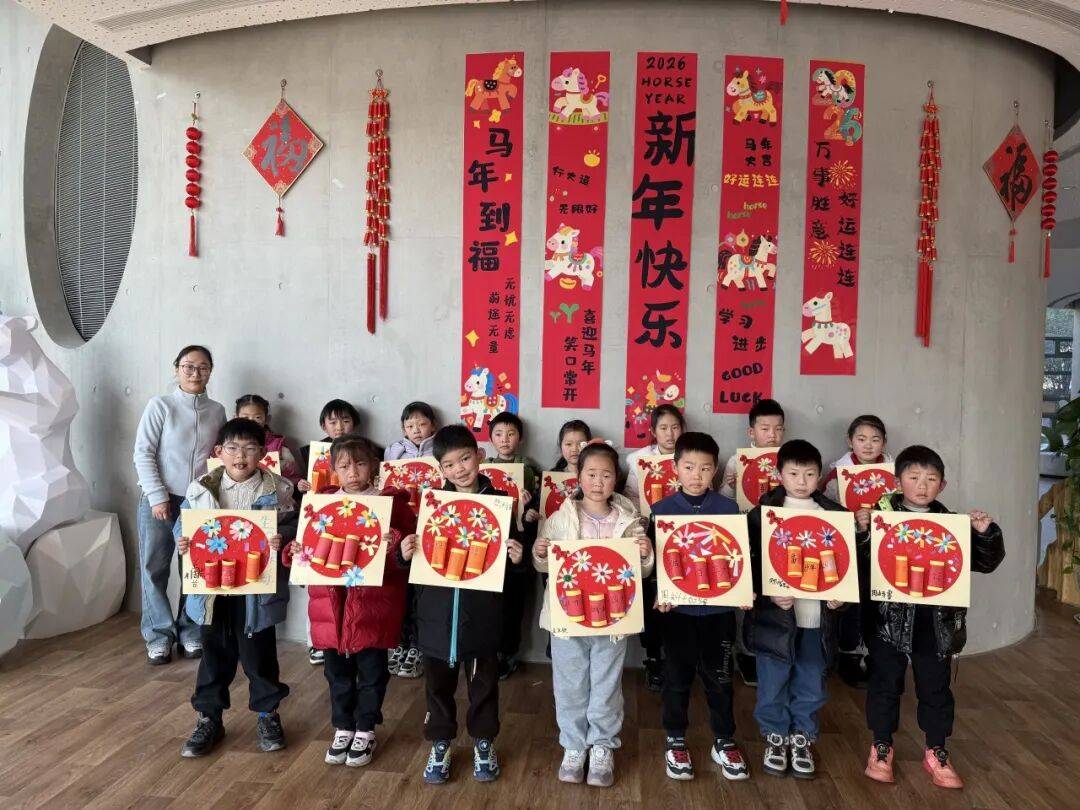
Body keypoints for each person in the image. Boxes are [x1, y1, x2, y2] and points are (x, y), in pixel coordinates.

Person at [859, 445, 1004, 789]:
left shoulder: (952, 525)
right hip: (887, 620)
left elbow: (986, 563)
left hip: (935, 623)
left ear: (943, 484)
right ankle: (881, 746)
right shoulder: (879, 519)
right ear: (898, 482)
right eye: (913, 477)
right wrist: (863, 532)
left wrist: (985, 534)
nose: (922, 486)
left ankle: (936, 749)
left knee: (936, 687)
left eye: (931, 479)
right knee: (884, 683)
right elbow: (861, 565)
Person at [398, 425, 524, 784]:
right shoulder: (433, 505)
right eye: (449, 464)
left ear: (479, 456)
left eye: (465, 458)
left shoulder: (500, 502)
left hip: (482, 616)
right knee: (437, 686)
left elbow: (513, 558)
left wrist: (518, 557)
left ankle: (484, 742)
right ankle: (440, 742)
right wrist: (404, 553)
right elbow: (417, 558)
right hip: (436, 616)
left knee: (484, 685)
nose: (459, 469)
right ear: (441, 468)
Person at [534, 441, 652, 788]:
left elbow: (641, 573)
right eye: (591, 474)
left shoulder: (629, 521)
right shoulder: (560, 518)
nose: (598, 482)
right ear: (578, 475)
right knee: (569, 685)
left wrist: (645, 554)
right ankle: (573, 746)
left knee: (606, 684)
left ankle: (602, 745)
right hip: (567, 619)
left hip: (613, 618)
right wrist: (540, 552)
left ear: (616, 479)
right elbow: (545, 566)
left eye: (606, 475)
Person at [175, 418, 295, 757]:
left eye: (249, 448)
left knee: (259, 655)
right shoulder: (200, 489)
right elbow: (183, 525)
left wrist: (282, 537)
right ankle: (209, 717)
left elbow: (294, 528)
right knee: (214, 653)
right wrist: (183, 541)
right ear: (219, 451)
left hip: (256, 588)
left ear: (263, 453)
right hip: (212, 587)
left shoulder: (278, 490)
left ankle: (267, 714)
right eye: (232, 448)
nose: (240, 456)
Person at [299, 436, 416, 767]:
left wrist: (398, 549)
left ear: (374, 466)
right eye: (344, 466)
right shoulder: (320, 504)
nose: (353, 472)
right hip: (330, 608)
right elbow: (306, 551)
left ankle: (365, 728)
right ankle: (343, 726)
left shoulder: (390, 504)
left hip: (372, 608)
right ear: (333, 470)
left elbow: (406, 556)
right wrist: (294, 553)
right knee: (336, 673)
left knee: (372, 672)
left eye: (360, 463)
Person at [650, 432, 749, 782]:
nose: (697, 475)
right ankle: (675, 739)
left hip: (718, 613)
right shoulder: (661, 511)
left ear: (715, 471)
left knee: (720, 679)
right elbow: (655, 564)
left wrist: (743, 588)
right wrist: (659, 593)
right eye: (689, 467)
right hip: (677, 613)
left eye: (705, 468)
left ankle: (723, 739)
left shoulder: (728, 510)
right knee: (676, 678)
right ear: (675, 468)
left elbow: (737, 558)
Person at [745, 439, 845, 780]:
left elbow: (848, 567)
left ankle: (802, 736)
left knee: (811, 681)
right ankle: (775, 736)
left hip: (817, 618)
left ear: (820, 475)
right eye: (793, 473)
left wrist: (842, 596)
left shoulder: (835, 516)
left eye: (810, 474)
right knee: (772, 683)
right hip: (775, 620)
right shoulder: (761, 516)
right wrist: (768, 594)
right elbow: (748, 566)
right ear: (779, 474)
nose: (802, 481)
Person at [133, 344, 226, 664]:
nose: (195, 373)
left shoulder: (217, 410)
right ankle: (158, 636)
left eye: (203, 367)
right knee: (154, 568)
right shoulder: (160, 405)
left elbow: (219, 456)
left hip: (198, 501)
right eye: (188, 366)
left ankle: (190, 631)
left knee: (195, 568)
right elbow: (143, 453)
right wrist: (157, 496)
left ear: (210, 372)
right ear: (177, 369)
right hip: (159, 498)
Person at [820, 414, 893, 688]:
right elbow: (825, 511)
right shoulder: (837, 474)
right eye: (861, 439)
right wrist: (853, 519)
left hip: (883, 549)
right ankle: (849, 655)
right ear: (850, 441)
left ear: (884, 442)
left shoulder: (895, 473)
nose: (868, 445)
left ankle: (875, 654)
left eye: (875, 439)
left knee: (880, 602)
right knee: (853, 602)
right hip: (849, 548)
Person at [720, 398, 786, 688]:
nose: (772, 434)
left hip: (780, 536)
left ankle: (771, 652)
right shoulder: (738, 460)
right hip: (748, 534)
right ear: (752, 432)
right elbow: (725, 501)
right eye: (765, 428)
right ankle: (745, 652)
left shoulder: (788, 459)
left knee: (776, 596)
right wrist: (729, 484)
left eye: (778, 429)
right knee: (749, 595)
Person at [295, 398, 362, 665]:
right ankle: (319, 642)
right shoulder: (308, 453)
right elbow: (300, 497)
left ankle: (355, 640)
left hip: (358, 526)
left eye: (345, 420)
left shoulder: (369, 451)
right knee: (321, 586)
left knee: (356, 584)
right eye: (333, 422)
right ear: (323, 425)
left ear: (355, 423)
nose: (339, 427)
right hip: (323, 526)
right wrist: (301, 488)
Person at [623, 404, 685, 692]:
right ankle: (653, 658)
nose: (670, 434)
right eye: (663, 428)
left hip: (682, 535)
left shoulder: (690, 456)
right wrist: (641, 520)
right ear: (653, 432)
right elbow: (630, 498)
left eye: (675, 427)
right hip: (649, 532)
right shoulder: (639, 460)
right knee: (651, 595)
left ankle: (677, 659)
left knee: (680, 587)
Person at [485, 411, 541, 680]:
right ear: (490, 438)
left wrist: (529, 508)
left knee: (513, 601)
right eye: (498, 434)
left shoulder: (530, 470)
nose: (504, 439)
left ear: (520, 437)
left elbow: (541, 510)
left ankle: (508, 654)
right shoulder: (482, 467)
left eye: (510, 434)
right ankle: (487, 652)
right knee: (489, 602)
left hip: (518, 541)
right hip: (488, 541)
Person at [384, 401, 438, 679]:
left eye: (422, 424)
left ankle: (417, 646)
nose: (416, 430)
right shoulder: (393, 451)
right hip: (402, 526)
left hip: (431, 528)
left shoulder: (439, 451)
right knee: (401, 589)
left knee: (422, 592)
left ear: (433, 425)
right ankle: (400, 643)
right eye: (410, 425)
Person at [235, 394, 301, 486]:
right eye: (245, 418)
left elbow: (295, 478)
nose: (251, 422)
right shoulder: (230, 445)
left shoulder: (278, 445)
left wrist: (283, 467)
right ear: (236, 418)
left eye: (257, 417)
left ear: (267, 419)